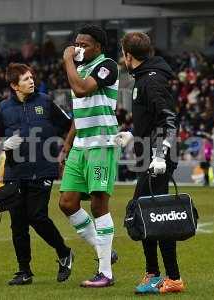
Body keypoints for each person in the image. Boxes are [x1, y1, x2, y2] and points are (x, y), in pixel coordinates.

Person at [0, 63, 73, 285]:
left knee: (37, 216)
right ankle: (24, 271)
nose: (31, 81)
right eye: (25, 79)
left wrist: (66, 150)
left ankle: (64, 252)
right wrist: (4, 143)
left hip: (43, 169)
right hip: (15, 173)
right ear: (14, 85)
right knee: (18, 223)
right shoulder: (3, 108)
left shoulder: (45, 101)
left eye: (31, 77)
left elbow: (69, 125)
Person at [116, 32, 184, 294]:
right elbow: (154, 120)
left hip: (158, 158)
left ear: (127, 55)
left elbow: (168, 121)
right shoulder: (145, 78)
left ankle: (169, 277)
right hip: (151, 155)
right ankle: (155, 274)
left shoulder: (151, 81)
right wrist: (134, 134)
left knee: (149, 214)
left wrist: (159, 154)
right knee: (146, 213)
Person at [59, 24, 119, 288]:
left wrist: (67, 60)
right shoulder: (80, 70)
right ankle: (103, 249)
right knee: (67, 203)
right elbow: (78, 111)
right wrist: (66, 146)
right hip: (81, 144)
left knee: (97, 205)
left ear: (98, 47)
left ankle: (105, 273)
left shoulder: (107, 65)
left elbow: (82, 89)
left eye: (84, 45)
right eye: (76, 43)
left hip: (101, 144)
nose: (79, 48)